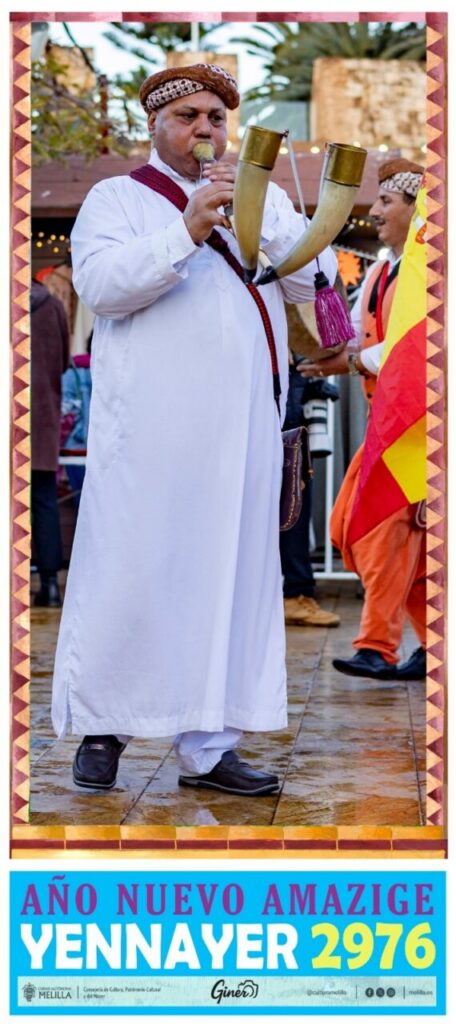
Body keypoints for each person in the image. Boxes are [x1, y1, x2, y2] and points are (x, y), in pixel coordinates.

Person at [51, 63, 337, 794]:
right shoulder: (118, 199)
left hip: (243, 433)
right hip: (150, 435)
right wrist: (186, 229)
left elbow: (316, 281)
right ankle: (107, 728)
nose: (205, 129)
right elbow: (103, 288)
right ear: (155, 124)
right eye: (189, 117)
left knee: (230, 582)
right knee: (134, 572)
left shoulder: (264, 195)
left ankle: (210, 747)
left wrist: (273, 224)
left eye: (216, 117)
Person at [299, 158, 426, 681]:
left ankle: (377, 646)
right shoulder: (379, 269)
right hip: (387, 424)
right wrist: (311, 343)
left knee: (378, 531)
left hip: (420, 430)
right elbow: (353, 334)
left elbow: (411, 349)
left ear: (416, 209)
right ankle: (429, 647)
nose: (373, 211)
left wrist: (348, 363)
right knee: (366, 529)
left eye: (386, 201)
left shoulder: (432, 271)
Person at [280, 350, 340, 627]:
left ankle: (296, 594)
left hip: (287, 411)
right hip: (283, 414)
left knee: (293, 510)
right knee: (291, 511)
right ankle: (295, 593)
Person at [31, 279, 70, 607]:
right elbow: (63, 363)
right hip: (41, 418)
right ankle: (51, 584)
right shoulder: (54, 306)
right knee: (44, 500)